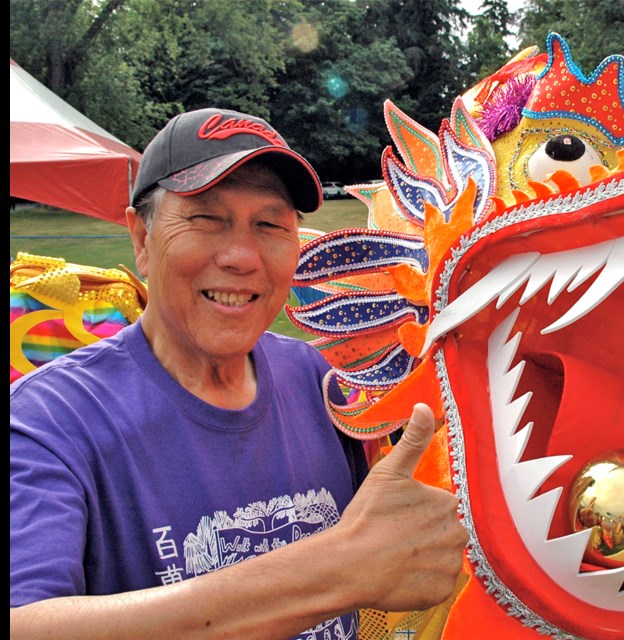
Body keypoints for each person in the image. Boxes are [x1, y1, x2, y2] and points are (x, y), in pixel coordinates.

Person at [10, 108, 468, 639]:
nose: (242, 257)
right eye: (206, 219)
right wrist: (332, 573)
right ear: (140, 238)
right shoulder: (51, 419)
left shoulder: (324, 382)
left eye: (270, 224)